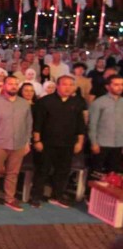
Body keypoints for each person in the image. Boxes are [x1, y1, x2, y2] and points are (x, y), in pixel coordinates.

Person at [31, 75, 86, 208]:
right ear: (58, 86)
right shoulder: (45, 101)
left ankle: (58, 195)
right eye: (64, 84)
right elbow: (37, 123)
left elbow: (80, 125)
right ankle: (36, 197)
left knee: (63, 171)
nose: (68, 87)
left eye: (70, 85)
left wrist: (79, 142)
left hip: (67, 144)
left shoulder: (77, 103)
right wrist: (37, 140)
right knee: (42, 170)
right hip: (47, 143)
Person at [0, 75, 33, 212]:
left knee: (13, 173)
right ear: (3, 85)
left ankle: (9, 199)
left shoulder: (24, 103)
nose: (14, 86)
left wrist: (28, 141)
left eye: (16, 83)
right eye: (10, 84)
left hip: (19, 144)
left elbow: (29, 124)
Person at [88, 75, 123, 175]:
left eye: (121, 84)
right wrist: (94, 143)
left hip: (118, 144)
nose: (120, 87)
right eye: (116, 84)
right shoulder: (99, 102)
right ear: (107, 86)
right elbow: (92, 124)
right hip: (101, 144)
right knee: (96, 174)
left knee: (114, 174)